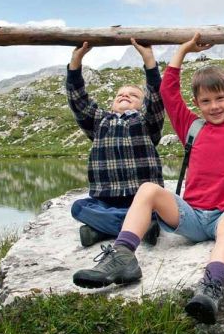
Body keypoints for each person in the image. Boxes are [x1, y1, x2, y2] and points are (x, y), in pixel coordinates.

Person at [72, 32, 224, 326]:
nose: (214, 106)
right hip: (191, 216)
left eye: (220, 99)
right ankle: (123, 257)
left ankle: (211, 286)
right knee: (149, 189)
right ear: (197, 103)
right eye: (206, 101)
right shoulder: (190, 126)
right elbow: (169, 92)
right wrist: (182, 50)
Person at [66, 39, 164, 247]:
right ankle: (139, 226)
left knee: (158, 209)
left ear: (142, 104)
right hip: (105, 199)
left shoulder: (145, 121)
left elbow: (156, 96)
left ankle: (101, 230)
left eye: (134, 95)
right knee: (78, 207)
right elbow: (78, 101)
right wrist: (76, 61)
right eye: (120, 95)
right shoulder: (99, 120)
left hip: (142, 197)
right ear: (112, 103)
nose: (125, 95)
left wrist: (148, 59)